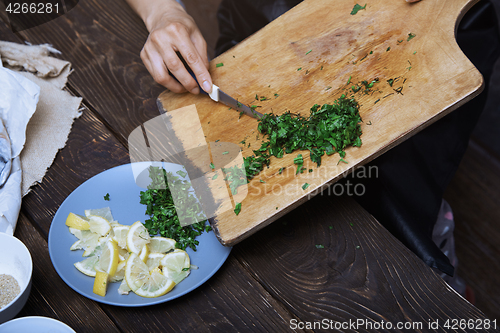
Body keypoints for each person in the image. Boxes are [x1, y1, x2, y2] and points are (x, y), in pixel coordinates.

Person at [126, 0, 500, 299]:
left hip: (418, 32)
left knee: (403, 196)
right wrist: (162, 11)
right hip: (258, 27)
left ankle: (438, 272)